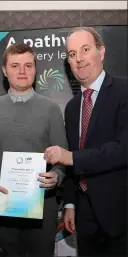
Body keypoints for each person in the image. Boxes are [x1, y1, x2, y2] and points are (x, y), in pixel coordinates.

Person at [0, 43, 68, 257]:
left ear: (35, 70)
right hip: (4, 204)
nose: (22, 71)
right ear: (4, 70)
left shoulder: (51, 109)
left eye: (28, 65)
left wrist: (56, 176)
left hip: (43, 205)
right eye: (15, 65)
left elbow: (62, 157)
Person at [46, 27, 128, 256]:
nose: (79, 59)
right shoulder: (72, 108)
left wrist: (70, 157)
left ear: (101, 52)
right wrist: (70, 204)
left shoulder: (124, 91)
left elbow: (123, 150)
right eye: (72, 54)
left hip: (120, 214)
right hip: (84, 218)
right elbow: (74, 160)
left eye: (85, 49)